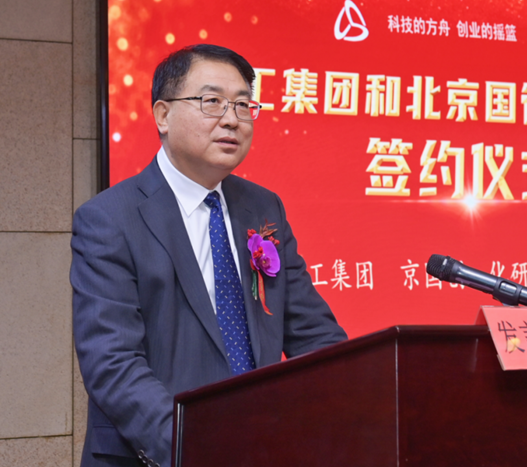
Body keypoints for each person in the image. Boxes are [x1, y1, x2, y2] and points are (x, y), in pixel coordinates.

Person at [71, 44, 347, 467]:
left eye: (243, 105)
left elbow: (314, 336)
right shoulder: (109, 219)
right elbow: (113, 364)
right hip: (162, 454)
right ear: (163, 115)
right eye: (212, 101)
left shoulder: (263, 208)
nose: (232, 119)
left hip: (261, 449)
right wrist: (200, 445)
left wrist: (354, 407)